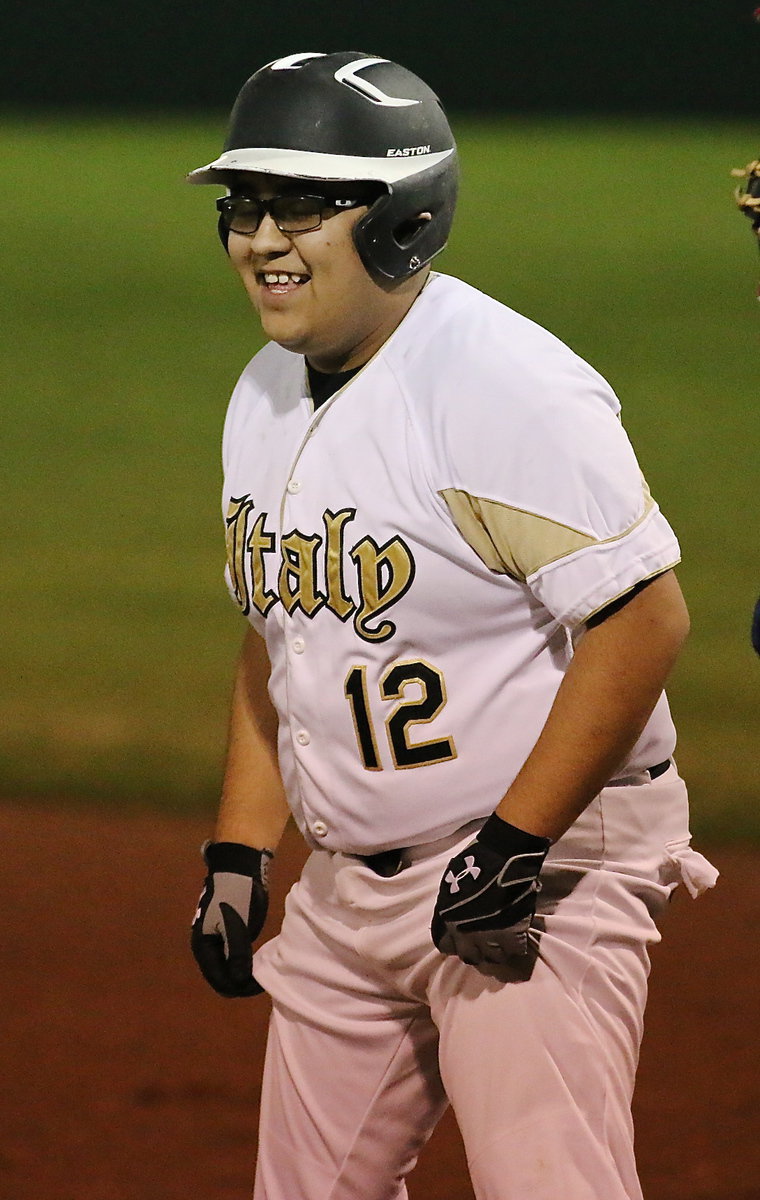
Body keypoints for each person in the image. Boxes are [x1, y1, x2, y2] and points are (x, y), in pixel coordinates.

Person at [188, 51, 718, 1200]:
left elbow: (641, 617)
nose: (264, 238)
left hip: (540, 876)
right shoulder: (265, 391)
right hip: (347, 891)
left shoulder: (503, 386)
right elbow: (282, 634)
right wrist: (239, 852)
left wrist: (515, 846)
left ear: (400, 218)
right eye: (247, 205)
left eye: (306, 205)